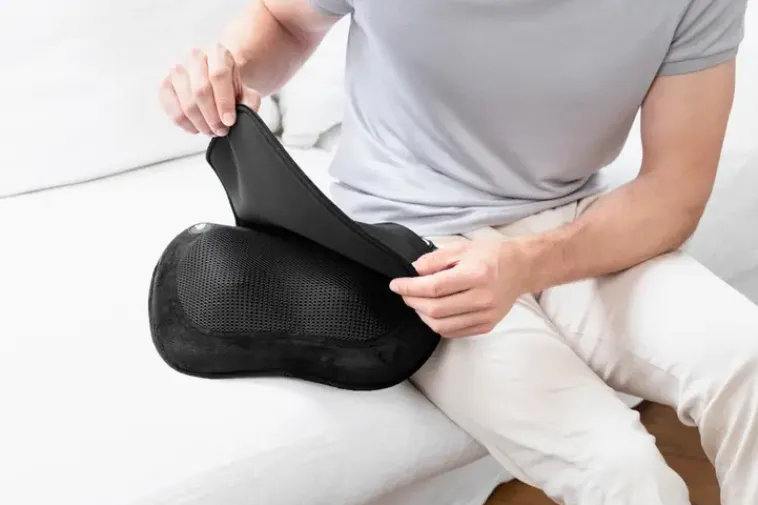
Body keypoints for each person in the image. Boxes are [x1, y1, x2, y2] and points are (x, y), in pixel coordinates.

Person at [159, 1, 756, 504]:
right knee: (620, 468)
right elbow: (284, 20)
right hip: (407, 249)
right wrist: (228, 69)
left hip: (574, 223)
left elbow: (674, 190)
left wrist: (526, 264)